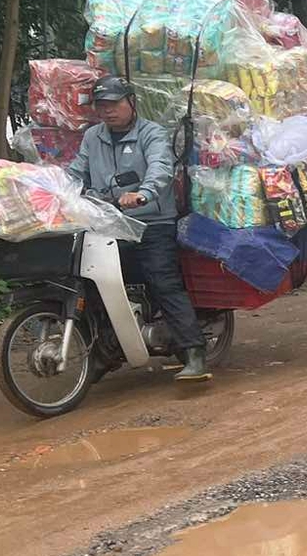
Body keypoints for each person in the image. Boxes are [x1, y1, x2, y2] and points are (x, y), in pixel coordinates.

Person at [67, 75, 210, 381]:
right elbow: (76, 172)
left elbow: (161, 167)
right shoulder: (93, 137)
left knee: (163, 281)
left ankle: (194, 352)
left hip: (151, 222)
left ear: (131, 102)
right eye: (101, 105)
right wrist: (53, 191)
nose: (107, 111)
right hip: (109, 223)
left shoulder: (152, 133)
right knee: (90, 283)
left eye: (114, 104)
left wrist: (144, 193)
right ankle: (105, 352)